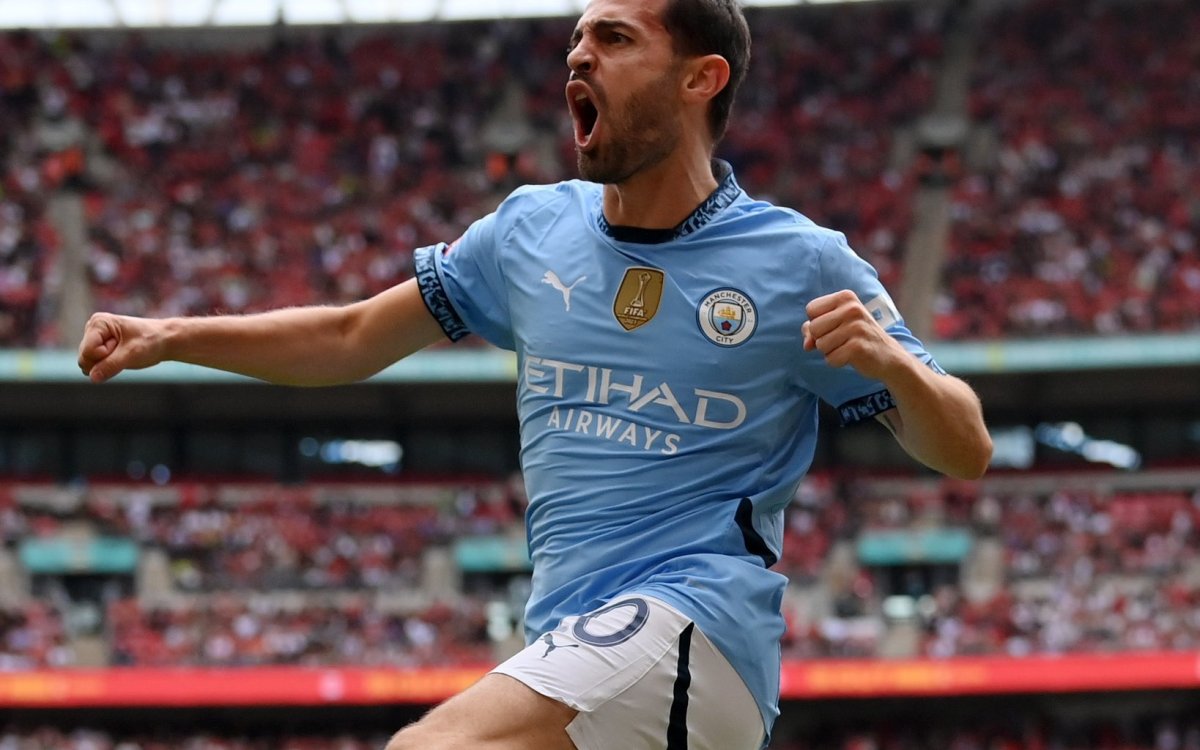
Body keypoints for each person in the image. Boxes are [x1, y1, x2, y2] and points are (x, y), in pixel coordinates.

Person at [77, 0, 993, 747]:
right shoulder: (527, 231)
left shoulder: (800, 262)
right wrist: (171, 335)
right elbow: (353, 335)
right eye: (577, 41)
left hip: (693, 626)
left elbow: (966, 448)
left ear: (701, 78)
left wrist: (895, 371)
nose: (579, 58)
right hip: (571, 635)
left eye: (616, 39)